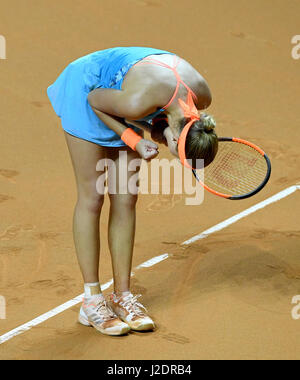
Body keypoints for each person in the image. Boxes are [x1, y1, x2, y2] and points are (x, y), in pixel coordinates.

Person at [47, 47, 218, 336]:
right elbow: (95, 102)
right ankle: (91, 301)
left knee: (125, 198)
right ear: (178, 136)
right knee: (93, 196)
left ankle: (122, 296)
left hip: (127, 92)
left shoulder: (203, 95)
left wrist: (159, 128)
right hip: (88, 88)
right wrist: (133, 139)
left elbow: (164, 113)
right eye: (176, 151)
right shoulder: (138, 102)